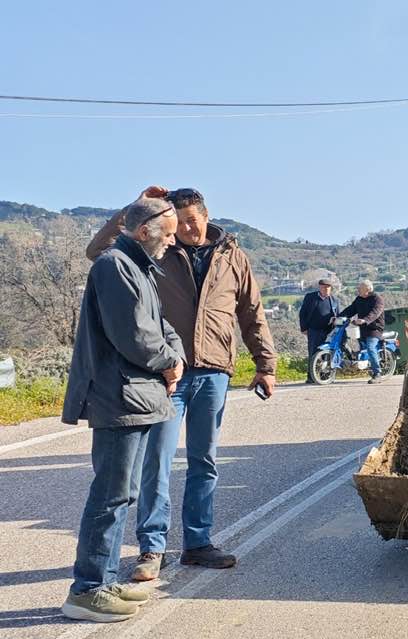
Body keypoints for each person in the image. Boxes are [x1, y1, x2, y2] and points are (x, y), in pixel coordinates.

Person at [86, 186, 277, 581]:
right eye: (181, 222)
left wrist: (266, 365)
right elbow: (98, 252)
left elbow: (252, 313)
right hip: (165, 373)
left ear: (207, 216)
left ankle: (197, 543)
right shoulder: (155, 250)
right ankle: (151, 548)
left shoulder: (232, 256)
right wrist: (132, 208)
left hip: (214, 371)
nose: (188, 229)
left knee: (204, 461)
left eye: (194, 220)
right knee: (157, 461)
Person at [61, 197, 184, 622]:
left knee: (122, 493)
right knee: (110, 495)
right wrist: (169, 361)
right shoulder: (114, 265)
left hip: (136, 395)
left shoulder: (140, 268)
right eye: (168, 232)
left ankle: (105, 580)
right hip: (120, 396)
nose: (173, 240)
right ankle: (87, 590)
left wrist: (176, 355)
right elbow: (133, 333)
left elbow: (162, 326)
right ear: (145, 228)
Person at [339, 279, 385, 383]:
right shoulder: (359, 299)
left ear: (367, 289)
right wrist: (338, 317)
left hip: (375, 329)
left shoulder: (377, 299)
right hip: (362, 328)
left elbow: (375, 313)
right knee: (351, 344)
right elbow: (350, 310)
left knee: (370, 347)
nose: (358, 290)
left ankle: (377, 374)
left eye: (360, 288)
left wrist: (365, 320)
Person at [299, 277, 339, 377]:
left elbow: (338, 314)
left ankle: (324, 376)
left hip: (329, 331)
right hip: (314, 330)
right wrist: (303, 328)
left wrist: (336, 320)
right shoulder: (310, 297)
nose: (326, 289)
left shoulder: (334, 300)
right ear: (320, 287)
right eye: (324, 287)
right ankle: (311, 377)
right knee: (313, 353)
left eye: (328, 287)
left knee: (327, 353)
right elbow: (302, 313)